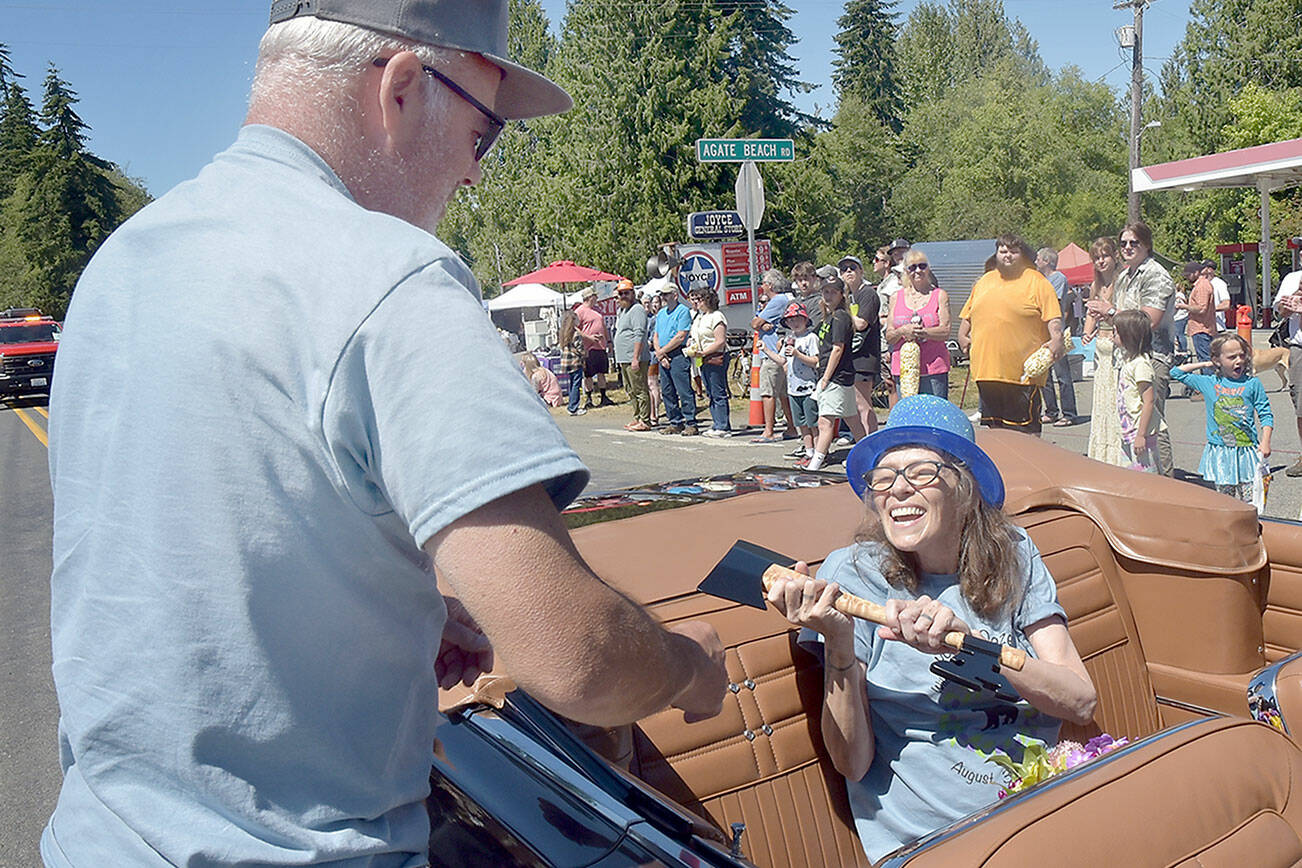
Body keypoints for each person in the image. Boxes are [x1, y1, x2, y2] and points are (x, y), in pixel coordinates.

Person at [42, 4, 728, 865]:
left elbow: (183, 545)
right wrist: (690, 668)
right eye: (484, 135)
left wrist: (389, 609)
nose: (475, 176)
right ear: (402, 88)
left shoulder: (125, 261)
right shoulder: (391, 278)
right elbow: (577, 657)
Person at [766, 394, 1097, 864]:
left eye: (921, 473)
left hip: (1045, 808)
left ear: (965, 488)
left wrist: (976, 650)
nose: (897, 489)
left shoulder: (1015, 552)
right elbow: (851, 763)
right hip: (937, 840)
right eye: (883, 478)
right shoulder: (853, 575)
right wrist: (838, 640)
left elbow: (1080, 701)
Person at [957, 235, 1065, 434]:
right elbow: (968, 315)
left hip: (1022, 375)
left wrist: (1057, 339)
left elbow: (1053, 318)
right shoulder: (984, 282)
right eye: (1003, 251)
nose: (1007, 256)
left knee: (1025, 435)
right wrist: (962, 336)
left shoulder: (1037, 282)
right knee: (995, 432)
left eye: (1013, 252)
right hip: (987, 371)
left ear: (1022, 255)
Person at [1171, 333, 1274, 502]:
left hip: (1247, 451)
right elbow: (1176, 372)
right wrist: (1206, 363)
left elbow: (1266, 414)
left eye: (1242, 355)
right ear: (1217, 360)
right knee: (1226, 501)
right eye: (1232, 357)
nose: (1239, 360)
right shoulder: (1209, 382)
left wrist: (1265, 441)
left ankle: (1252, 526)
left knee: (1252, 501)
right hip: (1221, 453)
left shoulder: (1252, 384)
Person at [1113, 221, 1177, 475]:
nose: (1127, 247)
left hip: (1152, 357)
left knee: (1152, 424)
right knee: (1132, 417)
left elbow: (1149, 321)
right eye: (1124, 243)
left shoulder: (1156, 274)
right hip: (1127, 357)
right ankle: (1144, 480)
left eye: (1134, 243)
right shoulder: (1125, 276)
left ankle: (1168, 483)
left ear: (1147, 245)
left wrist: (1109, 312)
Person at [801, 275, 865, 471]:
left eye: (832, 292)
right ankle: (867, 454)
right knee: (852, 419)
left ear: (841, 294)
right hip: (837, 376)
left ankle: (816, 463)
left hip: (837, 376)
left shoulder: (840, 317)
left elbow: (838, 348)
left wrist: (826, 378)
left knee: (825, 421)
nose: (828, 295)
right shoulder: (828, 317)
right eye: (825, 291)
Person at [883, 249, 951, 399]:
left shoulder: (939, 295)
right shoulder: (896, 297)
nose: (917, 271)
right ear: (906, 272)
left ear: (928, 269)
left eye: (922, 266)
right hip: (905, 369)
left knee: (934, 416)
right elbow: (889, 336)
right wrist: (902, 331)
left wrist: (922, 332)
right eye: (912, 267)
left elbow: (945, 331)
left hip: (934, 367)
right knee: (910, 415)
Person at [1081, 238, 1124, 465]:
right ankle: (1101, 452)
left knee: (1117, 400)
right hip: (1101, 346)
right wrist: (1087, 332)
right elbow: (1090, 311)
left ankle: (1118, 452)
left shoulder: (1123, 281)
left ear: (1114, 256)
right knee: (1102, 401)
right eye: (1096, 258)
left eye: (1105, 256)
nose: (1101, 261)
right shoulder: (1096, 286)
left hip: (1118, 345)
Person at [1111, 310, 1167, 473]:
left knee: (1146, 471)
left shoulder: (1141, 365)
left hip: (1140, 429)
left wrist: (1141, 435)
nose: (1112, 336)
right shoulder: (1129, 362)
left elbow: (1149, 400)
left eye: (1116, 332)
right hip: (1128, 428)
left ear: (1128, 336)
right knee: (1130, 470)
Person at [749, 268, 798, 443]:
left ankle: (768, 430)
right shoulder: (789, 298)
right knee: (784, 393)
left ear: (770, 285)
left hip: (771, 353)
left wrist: (762, 324)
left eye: (763, 283)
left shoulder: (777, 300)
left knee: (768, 392)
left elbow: (755, 322)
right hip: (782, 353)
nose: (762, 286)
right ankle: (791, 427)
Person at [1034, 247, 1078, 427]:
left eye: (1038, 258)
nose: (1035, 261)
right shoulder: (1039, 281)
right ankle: (1051, 411)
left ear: (1046, 261)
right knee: (1045, 375)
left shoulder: (1058, 279)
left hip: (1056, 332)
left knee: (1062, 375)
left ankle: (1069, 413)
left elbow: (1053, 300)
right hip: (1041, 333)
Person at [841, 254, 882, 438]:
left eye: (852, 268)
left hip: (865, 356)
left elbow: (862, 324)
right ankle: (861, 442)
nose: (848, 272)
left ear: (861, 271)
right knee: (855, 404)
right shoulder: (849, 296)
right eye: (844, 269)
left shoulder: (868, 294)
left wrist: (841, 316)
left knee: (863, 403)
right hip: (852, 356)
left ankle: (870, 443)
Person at [685, 287, 732, 436]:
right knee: (710, 392)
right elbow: (696, 336)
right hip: (702, 357)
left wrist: (704, 352)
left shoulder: (717, 317)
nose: (697, 303)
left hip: (714, 357)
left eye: (699, 299)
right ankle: (717, 422)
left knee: (718, 391)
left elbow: (720, 341)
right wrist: (691, 344)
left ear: (707, 300)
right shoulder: (699, 317)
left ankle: (723, 425)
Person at [653, 284, 698, 436]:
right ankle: (675, 421)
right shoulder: (660, 313)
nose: (663, 298)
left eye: (666, 295)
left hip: (677, 353)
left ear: (674, 295)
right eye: (662, 295)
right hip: (663, 354)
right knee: (667, 390)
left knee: (683, 389)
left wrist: (662, 352)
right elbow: (656, 335)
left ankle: (691, 422)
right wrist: (660, 353)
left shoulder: (683, 311)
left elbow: (680, 336)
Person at [781, 301, 822, 462]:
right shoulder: (788, 339)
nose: (794, 322)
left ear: (806, 320)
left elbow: (815, 361)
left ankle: (819, 453)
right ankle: (809, 451)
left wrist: (798, 354)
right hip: (793, 388)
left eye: (798, 318)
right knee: (801, 423)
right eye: (790, 320)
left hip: (809, 387)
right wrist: (766, 350)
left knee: (813, 423)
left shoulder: (811, 338)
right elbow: (782, 360)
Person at [1272, 265, 1302, 476]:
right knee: (1301, 407)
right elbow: (1280, 312)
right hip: (1300, 348)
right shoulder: (1293, 279)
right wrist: (1294, 300)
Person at [613, 279, 651, 431]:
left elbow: (639, 334)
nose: (623, 296)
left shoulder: (637, 309)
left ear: (633, 293)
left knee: (640, 389)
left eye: (626, 293)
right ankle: (637, 417)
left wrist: (635, 357)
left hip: (634, 357)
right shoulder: (622, 311)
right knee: (630, 389)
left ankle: (645, 420)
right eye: (620, 294)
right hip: (623, 357)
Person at [575, 286, 613, 407]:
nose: (596, 298)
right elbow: (575, 328)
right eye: (594, 296)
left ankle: (603, 396)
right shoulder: (579, 311)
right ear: (589, 298)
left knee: (602, 372)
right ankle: (589, 398)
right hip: (588, 348)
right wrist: (588, 337)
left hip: (600, 346)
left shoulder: (597, 310)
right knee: (589, 374)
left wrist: (609, 341)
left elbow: (603, 326)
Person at [1177, 261, 1217, 363]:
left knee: (1205, 360)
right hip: (1202, 329)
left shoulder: (1202, 286)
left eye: (1188, 274)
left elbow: (1201, 309)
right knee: (1205, 358)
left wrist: (1184, 306)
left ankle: (1208, 378)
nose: (1187, 277)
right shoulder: (1201, 285)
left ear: (1196, 273)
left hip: (1202, 329)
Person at [559, 309, 587, 416]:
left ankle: (571, 405)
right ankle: (573, 407)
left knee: (572, 384)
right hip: (575, 361)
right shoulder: (575, 334)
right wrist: (585, 354)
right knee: (576, 384)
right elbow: (579, 348)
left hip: (567, 362)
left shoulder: (563, 333)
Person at [644, 291, 663, 426]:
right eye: (643, 303)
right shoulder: (638, 318)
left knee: (652, 383)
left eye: (648, 303)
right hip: (640, 356)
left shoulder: (654, 319)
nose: (646, 306)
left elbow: (653, 338)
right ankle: (648, 412)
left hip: (651, 354)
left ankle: (655, 413)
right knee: (645, 385)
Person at [1204, 260, 1231, 331]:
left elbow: (1226, 304)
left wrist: (1209, 309)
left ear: (1210, 270)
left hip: (1217, 328)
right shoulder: (1202, 283)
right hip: (1203, 328)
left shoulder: (1219, 284)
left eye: (1203, 268)